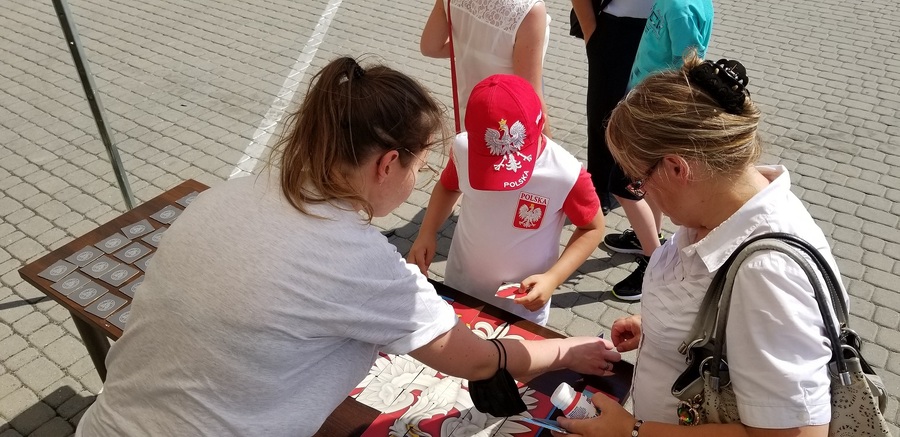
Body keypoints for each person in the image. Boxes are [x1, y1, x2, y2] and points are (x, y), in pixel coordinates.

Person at [74, 58, 622, 437]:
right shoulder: (353, 258)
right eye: (418, 166)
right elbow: (477, 359)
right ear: (387, 164)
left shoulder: (226, 195)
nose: (420, 178)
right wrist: (566, 350)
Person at [553, 54, 839, 437]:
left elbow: (794, 434)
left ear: (676, 168)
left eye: (640, 181)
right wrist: (668, 333)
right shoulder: (719, 209)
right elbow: (728, 322)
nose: (643, 194)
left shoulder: (766, 274)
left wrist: (632, 432)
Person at [407, 74, 605, 326]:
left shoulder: (565, 172)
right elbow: (447, 187)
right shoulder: (463, 149)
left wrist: (553, 278)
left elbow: (593, 227)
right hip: (462, 285)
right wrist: (427, 231)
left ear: (541, 122)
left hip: (522, 303)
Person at [601, 0, 714, 301]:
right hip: (644, 103)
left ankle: (655, 261)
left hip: (653, 114)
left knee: (622, 186)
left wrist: (658, 118)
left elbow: (687, 69)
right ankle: (647, 236)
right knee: (647, 185)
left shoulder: (680, 8)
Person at [571, 0, 654, 217]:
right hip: (615, 27)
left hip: (661, 27)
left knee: (650, 116)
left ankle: (635, 187)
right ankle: (600, 188)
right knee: (604, 111)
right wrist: (592, 34)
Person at [420, 0, 552, 136]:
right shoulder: (530, 10)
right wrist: (552, 149)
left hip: (470, 115)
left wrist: (470, 46)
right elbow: (531, 95)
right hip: (510, 130)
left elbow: (430, 47)